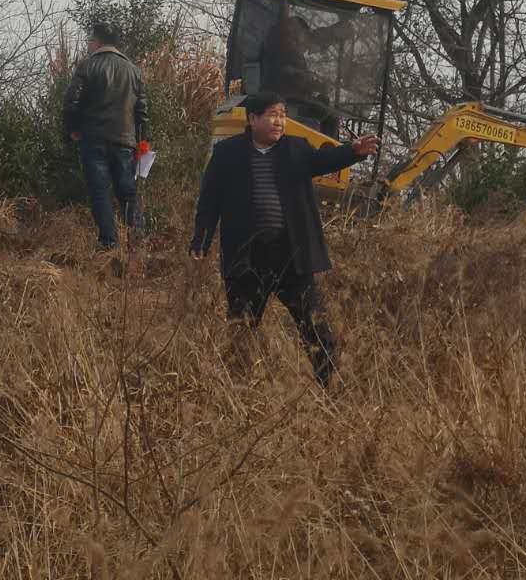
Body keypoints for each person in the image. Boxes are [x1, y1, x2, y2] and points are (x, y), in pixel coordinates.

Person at [189, 90, 378, 385]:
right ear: (253, 119)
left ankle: (327, 386)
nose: (280, 121)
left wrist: (352, 151)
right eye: (273, 115)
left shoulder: (296, 149)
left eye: (283, 115)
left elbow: (323, 160)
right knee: (241, 329)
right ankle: (238, 390)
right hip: (247, 259)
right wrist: (200, 240)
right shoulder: (227, 153)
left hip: (291, 257)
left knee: (316, 328)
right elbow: (209, 200)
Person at [64, 21, 148, 251]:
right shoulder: (134, 71)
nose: (88, 44)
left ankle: (109, 243)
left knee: (100, 190)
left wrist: (73, 129)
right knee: (127, 190)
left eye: (90, 40)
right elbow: (142, 112)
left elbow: (71, 102)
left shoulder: (87, 66)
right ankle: (137, 240)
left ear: (98, 42)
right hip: (125, 141)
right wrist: (142, 140)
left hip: (93, 139)